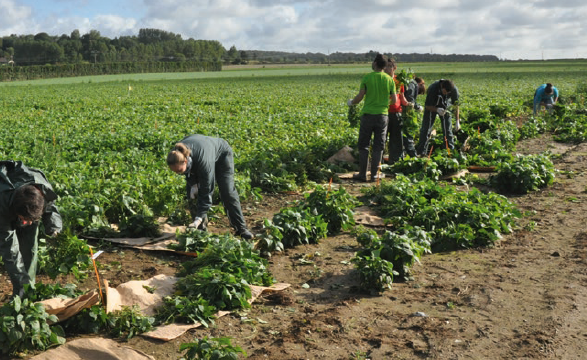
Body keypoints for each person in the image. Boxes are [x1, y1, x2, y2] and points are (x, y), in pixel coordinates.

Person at [166, 134, 254, 240]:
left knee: (227, 192)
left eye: (179, 171)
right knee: (192, 195)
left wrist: (200, 216)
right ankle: (200, 232)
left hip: (222, 155)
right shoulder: (175, 155)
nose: (177, 173)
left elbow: (207, 190)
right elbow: (186, 171)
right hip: (201, 153)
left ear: (185, 161)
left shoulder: (203, 162)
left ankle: (241, 229)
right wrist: (193, 184)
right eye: (174, 171)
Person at [0, 160, 62, 299]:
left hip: (26, 203)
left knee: (29, 247)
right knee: (11, 254)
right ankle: (21, 291)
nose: (25, 223)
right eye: (22, 219)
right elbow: (10, 250)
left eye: (29, 219)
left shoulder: (43, 190)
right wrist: (20, 281)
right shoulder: (2, 201)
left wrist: (54, 228)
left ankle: (28, 292)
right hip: (4, 207)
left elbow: (50, 209)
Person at [347, 53, 395, 182]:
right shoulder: (389, 79)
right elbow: (394, 100)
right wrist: (383, 104)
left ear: (374, 63)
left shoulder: (367, 78)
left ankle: (362, 174)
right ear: (384, 66)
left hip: (368, 115)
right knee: (379, 146)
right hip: (383, 116)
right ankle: (374, 175)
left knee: (364, 145)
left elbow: (360, 97)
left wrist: (351, 102)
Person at [415, 79, 460, 157]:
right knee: (426, 129)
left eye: (447, 93)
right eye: (444, 92)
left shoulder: (454, 90)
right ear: (442, 87)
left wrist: (457, 121)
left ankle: (449, 152)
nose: (446, 94)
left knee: (447, 130)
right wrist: (437, 109)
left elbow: (456, 105)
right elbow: (427, 106)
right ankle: (421, 152)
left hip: (445, 107)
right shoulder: (433, 88)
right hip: (431, 106)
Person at [384, 59, 412, 163]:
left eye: (389, 66)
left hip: (396, 112)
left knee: (396, 139)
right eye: (385, 66)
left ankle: (395, 161)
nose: (387, 69)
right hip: (384, 112)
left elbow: (402, 97)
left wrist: (408, 104)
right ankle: (379, 162)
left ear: (394, 68)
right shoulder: (382, 79)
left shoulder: (399, 81)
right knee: (382, 138)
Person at [402, 76, 426, 158]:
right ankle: (412, 155)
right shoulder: (412, 83)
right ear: (419, 84)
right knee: (408, 133)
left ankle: (403, 154)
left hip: (399, 110)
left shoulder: (409, 82)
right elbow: (410, 99)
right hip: (404, 112)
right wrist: (417, 107)